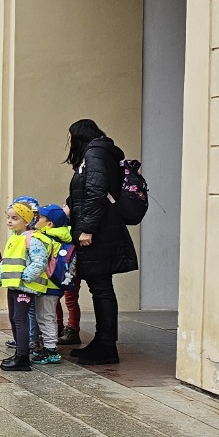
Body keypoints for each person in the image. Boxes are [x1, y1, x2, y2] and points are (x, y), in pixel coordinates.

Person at [63, 119, 138, 366]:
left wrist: (87, 228)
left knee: (102, 287)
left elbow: (96, 191)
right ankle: (102, 341)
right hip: (100, 228)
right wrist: (68, 206)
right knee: (100, 287)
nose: (69, 142)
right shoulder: (96, 153)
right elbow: (85, 192)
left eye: (71, 136)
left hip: (99, 231)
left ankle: (106, 346)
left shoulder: (95, 154)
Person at [0, 199, 56, 372]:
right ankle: (19, 352)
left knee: (20, 320)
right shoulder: (15, 238)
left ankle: (23, 357)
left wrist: (24, 277)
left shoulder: (33, 239)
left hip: (24, 287)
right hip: (13, 286)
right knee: (14, 318)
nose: (10, 221)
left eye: (15, 218)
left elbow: (39, 262)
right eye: (8, 217)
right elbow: (6, 263)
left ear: (26, 221)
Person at [30, 204, 74, 365]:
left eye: (40, 217)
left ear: (49, 224)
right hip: (54, 284)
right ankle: (48, 346)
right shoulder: (59, 236)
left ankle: (51, 350)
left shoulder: (47, 239)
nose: (36, 219)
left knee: (46, 317)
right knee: (45, 316)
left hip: (48, 285)